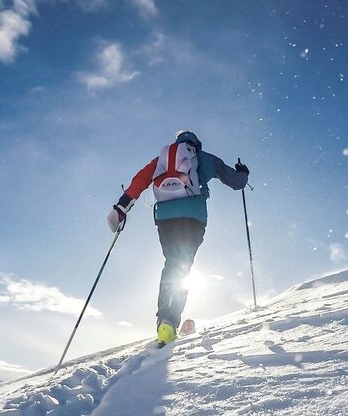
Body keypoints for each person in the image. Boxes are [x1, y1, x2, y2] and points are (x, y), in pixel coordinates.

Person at [107, 130, 249, 346]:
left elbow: (140, 181)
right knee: (182, 265)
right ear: (196, 145)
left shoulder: (160, 160)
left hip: (165, 218)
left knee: (172, 263)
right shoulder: (204, 158)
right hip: (193, 218)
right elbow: (235, 182)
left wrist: (121, 208)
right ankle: (170, 321)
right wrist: (243, 173)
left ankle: (165, 320)